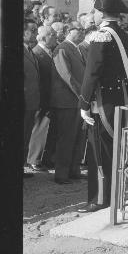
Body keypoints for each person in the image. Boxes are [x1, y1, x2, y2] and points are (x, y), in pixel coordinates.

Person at [78, 0, 128, 213]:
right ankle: (116, 194)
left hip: (102, 102)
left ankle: (100, 199)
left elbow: (91, 74)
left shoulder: (101, 36)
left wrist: (84, 103)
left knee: (99, 153)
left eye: (93, 11)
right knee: (116, 150)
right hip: (121, 99)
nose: (92, 14)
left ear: (101, 13)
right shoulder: (126, 36)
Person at [50, 21, 86, 184]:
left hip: (76, 101)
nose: (82, 32)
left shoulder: (76, 49)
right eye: (79, 29)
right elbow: (67, 76)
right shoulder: (62, 49)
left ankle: (73, 170)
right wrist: (83, 94)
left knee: (78, 137)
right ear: (67, 31)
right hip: (67, 101)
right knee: (66, 138)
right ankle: (61, 174)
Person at [27, 25, 58, 171]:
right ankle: (34, 159)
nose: (55, 37)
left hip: (50, 96)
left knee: (47, 129)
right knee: (39, 128)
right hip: (42, 97)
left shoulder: (49, 52)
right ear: (44, 37)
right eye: (53, 34)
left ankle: (44, 158)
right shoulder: (37, 53)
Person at [23, 19, 39, 178]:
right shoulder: (18, 51)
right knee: (21, 136)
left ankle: (21, 167)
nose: (35, 33)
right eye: (32, 30)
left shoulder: (29, 50)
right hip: (23, 103)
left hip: (31, 102)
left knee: (26, 135)